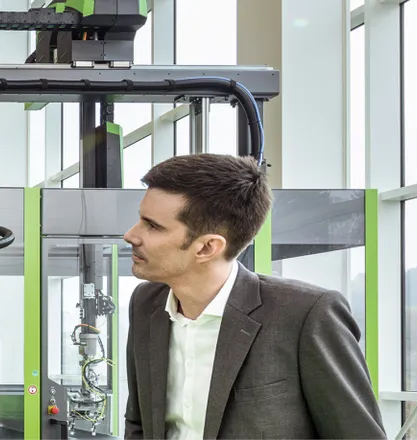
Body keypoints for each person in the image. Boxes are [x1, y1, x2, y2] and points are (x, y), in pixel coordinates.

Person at [119, 154, 383, 439]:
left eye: (152, 226)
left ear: (207, 247)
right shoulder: (146, 303)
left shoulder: (306, 315)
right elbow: (139, 423)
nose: (131, 235)